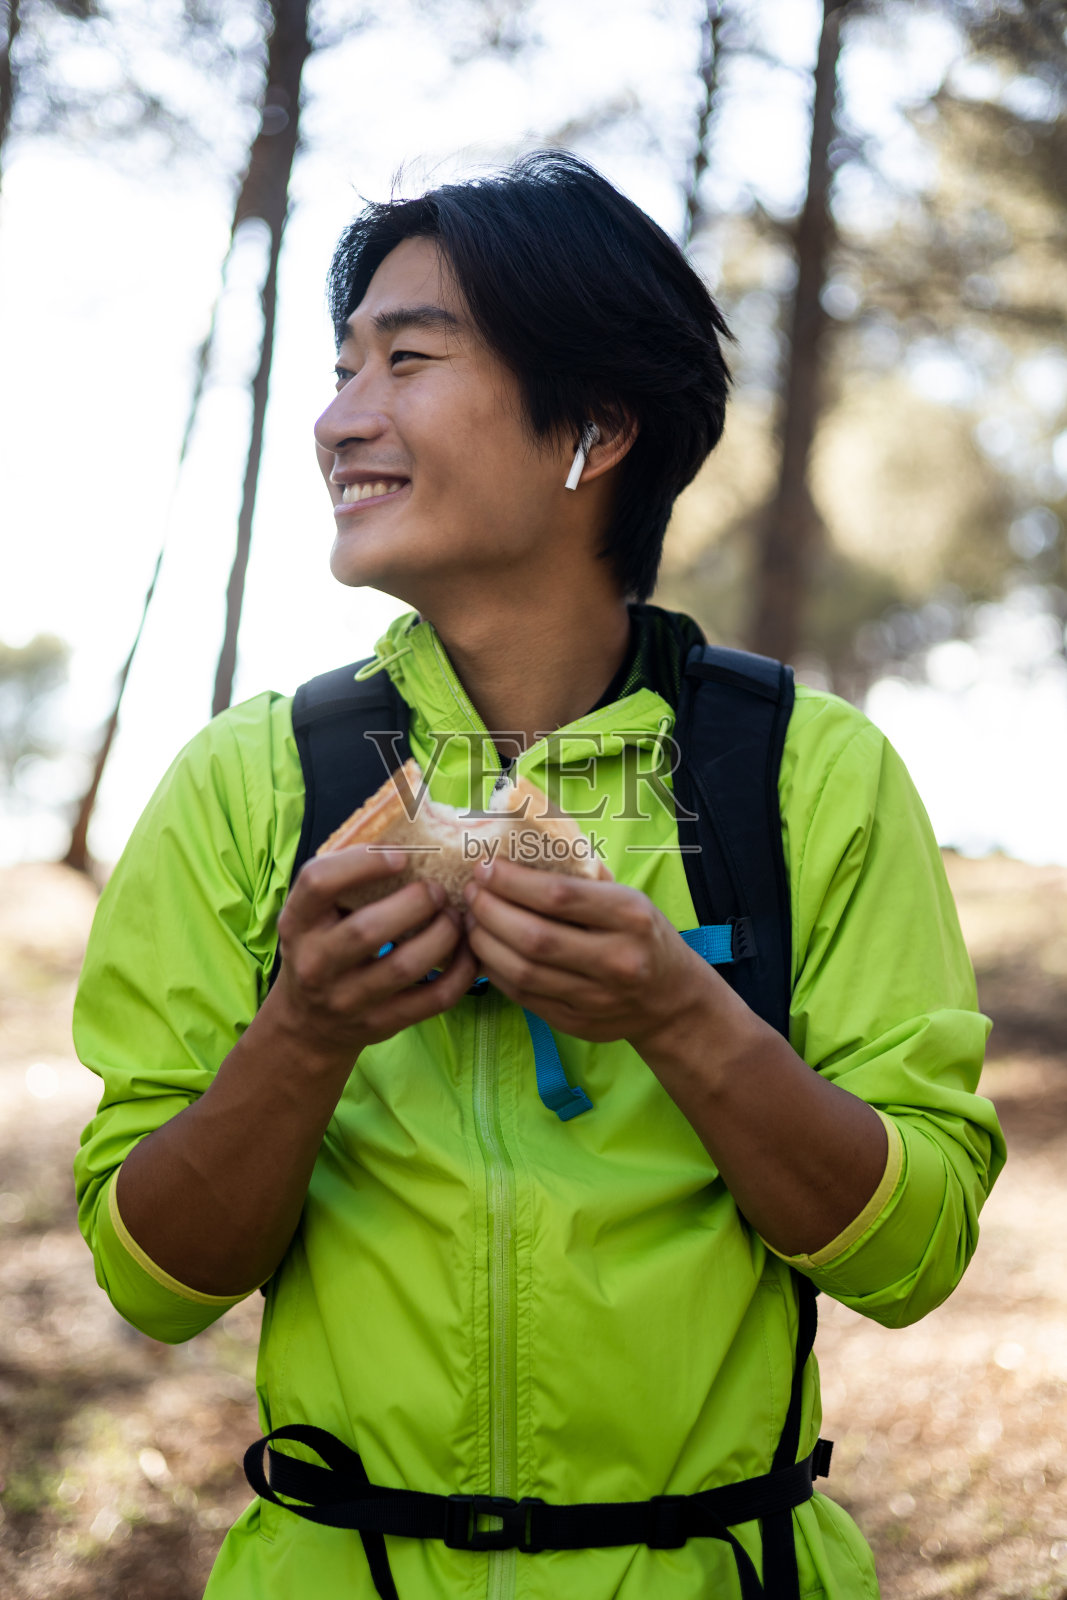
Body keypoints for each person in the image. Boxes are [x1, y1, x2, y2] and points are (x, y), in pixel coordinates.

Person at [74, 152, 1005, 1600]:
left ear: (595, 425)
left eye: (407, 358)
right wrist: (303, 1033)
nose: (338, 419)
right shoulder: (252, 783)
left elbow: (914, 1253)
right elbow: (153, 1280)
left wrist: (679, 1013)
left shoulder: (806, 776)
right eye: (340, 368)